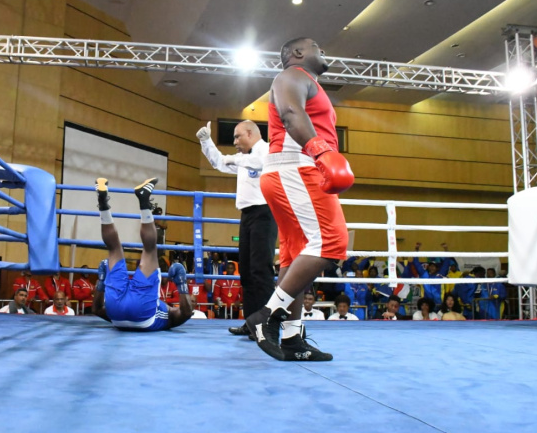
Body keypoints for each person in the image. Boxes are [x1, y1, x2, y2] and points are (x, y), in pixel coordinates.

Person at [246, 37, 354, 362]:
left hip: (290, 170)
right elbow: (291, 114)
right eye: (317, 47)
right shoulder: (291, 76)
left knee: (295, 256)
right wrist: (321, 152)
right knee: (332, 241)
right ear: (297, 54)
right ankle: (266, 316)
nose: (323, 50)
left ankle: (293, 337)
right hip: (297, 167)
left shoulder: (306, 82)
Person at [197, 119, 278, 338]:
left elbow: (256, 162)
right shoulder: (243, 158)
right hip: (247, 215)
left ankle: (267, 327)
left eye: (237, 136)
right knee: (248, 274)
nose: (234, 141)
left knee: (261, 271)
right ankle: (252, 323)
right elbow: (219, 163)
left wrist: (236, 159)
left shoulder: (267, 151)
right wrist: (206, 141)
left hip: (265, 214)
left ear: (251, 133)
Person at [90, 177, 193, 331]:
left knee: (149, 249)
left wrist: (101, 281)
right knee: (114, 248)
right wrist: (182, 284)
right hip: (119, 314)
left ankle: (141, 202)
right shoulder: (166, 317)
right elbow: (185, 313)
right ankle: (103, 206)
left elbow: (186, 313)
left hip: (133, 311)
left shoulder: (166, 316)